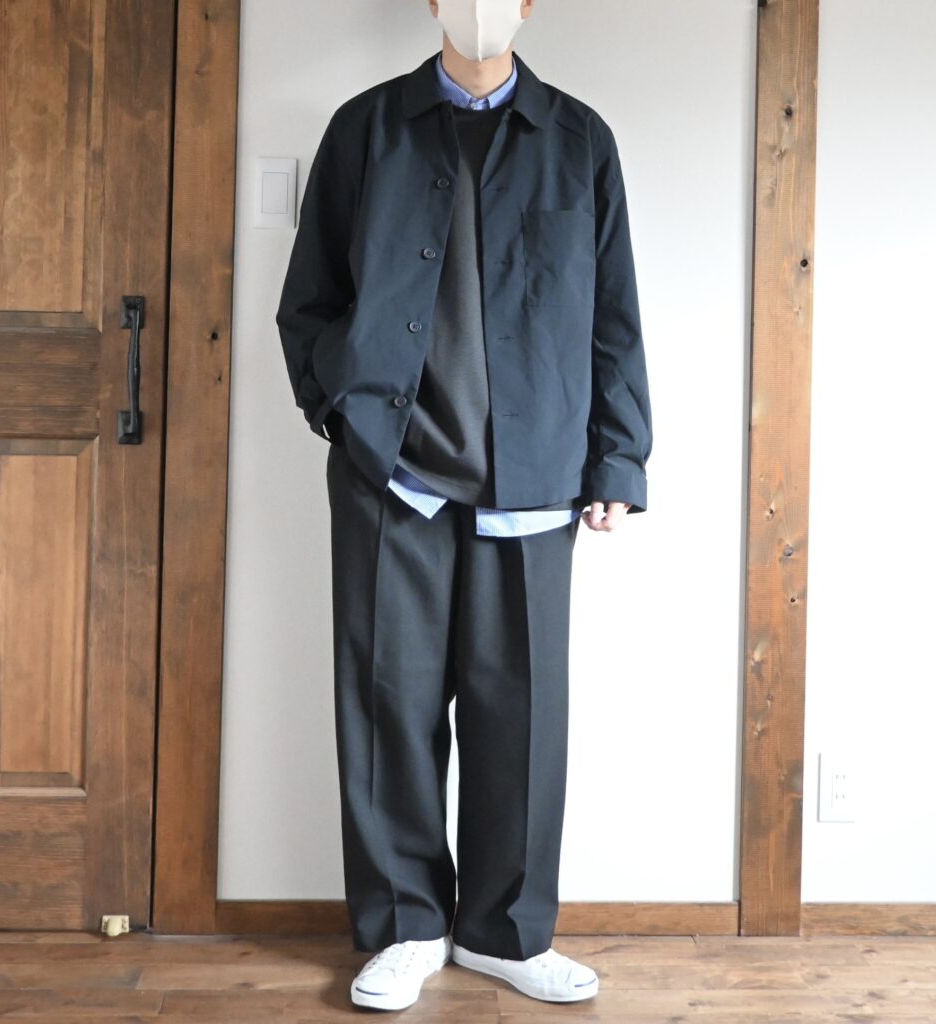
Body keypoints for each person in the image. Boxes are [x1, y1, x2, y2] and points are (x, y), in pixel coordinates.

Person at [276, 0, 652, 1011]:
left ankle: (505, 932)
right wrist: (341, 415)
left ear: (527, 5)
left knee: (519, 716)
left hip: (532, 476)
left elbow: (614, 314)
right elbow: (308, 298)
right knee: (387, 708)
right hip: (393, 476)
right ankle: (406, 927)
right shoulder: (366, 128)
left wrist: (618, 460)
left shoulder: (579, 138)